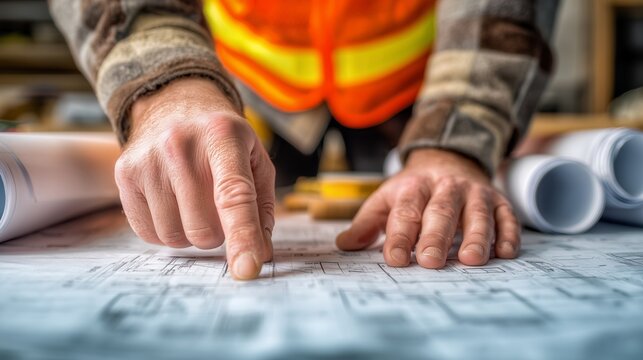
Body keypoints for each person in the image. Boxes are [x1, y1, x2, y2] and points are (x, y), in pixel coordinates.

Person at [49, 0, 555, 280]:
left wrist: (455, 140)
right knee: (238, 197)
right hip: (249, 90)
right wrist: (166, 85)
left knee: (425, 209)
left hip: (412, 90)